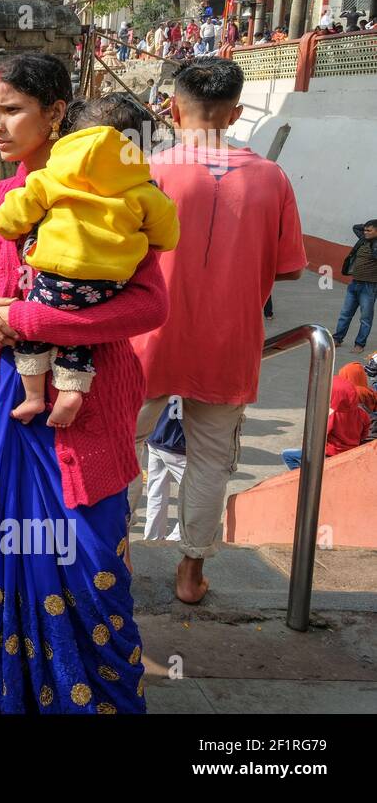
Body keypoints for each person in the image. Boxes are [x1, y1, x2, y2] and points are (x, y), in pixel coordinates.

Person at [0, 52, 167, 713]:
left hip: (84, 418)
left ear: (54, 112)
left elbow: (149, 306)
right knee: (1, 566)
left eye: (12, 110)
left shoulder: (115, 193)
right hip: (5, 415)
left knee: (90, 573)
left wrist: (34, 317)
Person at [131, 57, 306, 605]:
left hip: (151, 336)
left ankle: (113, 561)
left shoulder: (151, 171)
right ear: (234, 112)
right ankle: (190, 573)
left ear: (173, 107)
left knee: (125, 445)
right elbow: (292, 267)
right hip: (230, 342)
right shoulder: (272, 178)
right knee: (210, 459)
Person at [0, 93, 179, 427]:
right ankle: (72, 391)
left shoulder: (52, 177)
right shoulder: (142, 189)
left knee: (35, 333)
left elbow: (9, 220)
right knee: (81, 333)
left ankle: (34, 396)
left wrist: (24, 316)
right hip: (109, 284)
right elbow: (168, 236)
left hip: (56, 280)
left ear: (67, 138)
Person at [281, 373, 372, 469]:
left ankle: (298, 477)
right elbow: (364, 435)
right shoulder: (362, 414)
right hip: (351, 451)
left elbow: (318, 437)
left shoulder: (332, 415)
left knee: (287, 455)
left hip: (331, 454)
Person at [334, 220, 377, 353]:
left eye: (369, 230)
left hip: (369, 287)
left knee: (365, 318)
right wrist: (367, 227)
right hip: (354, 283)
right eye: (365, 230)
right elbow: (355, 227)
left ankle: (360, 344)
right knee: (345, 314)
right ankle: (337, 339)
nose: (365, 232)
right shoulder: (363, 239)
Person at [142, 410, 184, 541]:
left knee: (156, 493)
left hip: (156, 434)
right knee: (199, 497)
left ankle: (151, 540)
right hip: (181, 443)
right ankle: (175, 540)